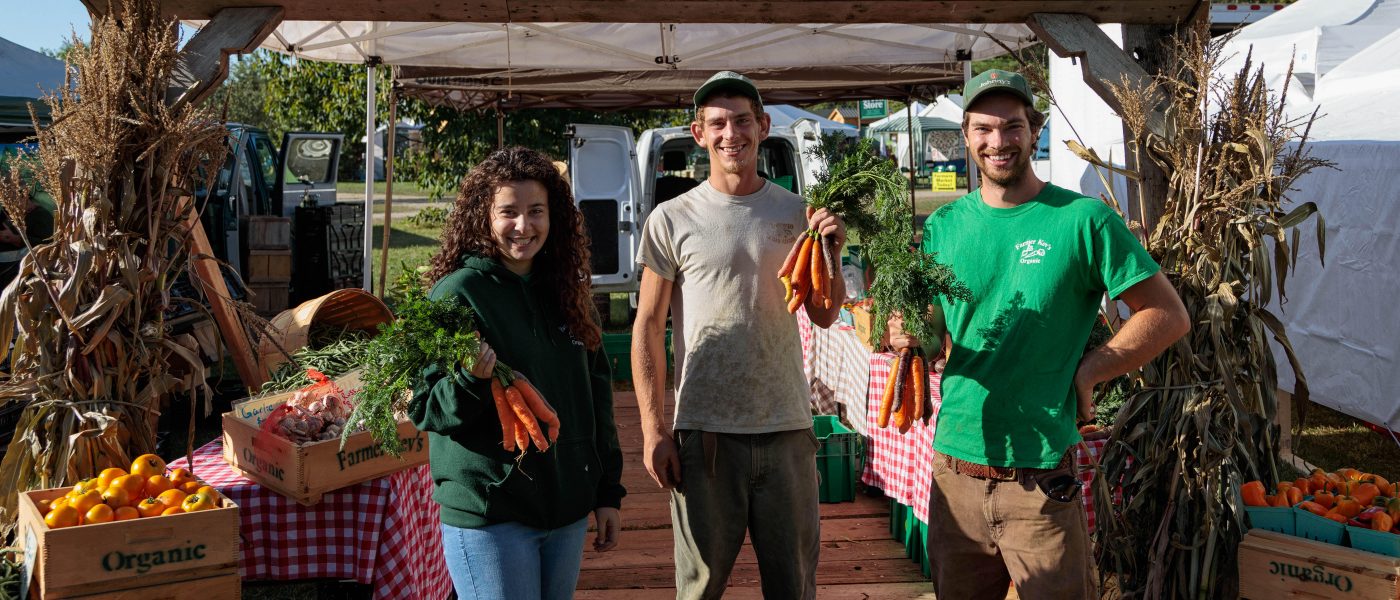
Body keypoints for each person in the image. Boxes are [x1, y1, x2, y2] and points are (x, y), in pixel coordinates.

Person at [893, 69, 1190, 598]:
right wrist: (908, 332)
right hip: (954, 470)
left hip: (1039, 480)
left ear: (1035, 129)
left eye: (1012, 127)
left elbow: (1167, 314)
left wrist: (1092, 369)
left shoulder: (1082, 220)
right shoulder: (944, 226)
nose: (998, 142)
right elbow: (936, 335)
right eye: (984, 129)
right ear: (965, 135)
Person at [631, 71, 847, 600]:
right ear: (699, 133)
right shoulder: (670, 219)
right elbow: (647, 327)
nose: (732, 133)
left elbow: (822, 314)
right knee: (699, 587)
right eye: (718, 123)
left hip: (787, 427)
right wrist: (654, 429)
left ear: (764, 127)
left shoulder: (798, 213)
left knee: (793, 585)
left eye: (743, 121)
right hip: (705, 433)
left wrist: (833, 255)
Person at [410, 146, 626, 600]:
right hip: (493, 512)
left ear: (555, 217)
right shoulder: (457, 294)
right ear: (483, 216)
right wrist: (469, 380)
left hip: (566, 510)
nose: (523, 226)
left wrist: (607, 490)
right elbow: (425, 407)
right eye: (508, 212)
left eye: (536, 211)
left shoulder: (567, 290)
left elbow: (597, 394)